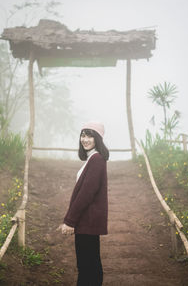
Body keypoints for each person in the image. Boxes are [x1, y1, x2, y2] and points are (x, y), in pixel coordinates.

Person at [59, 121, 109, 286]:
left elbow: (86, 193)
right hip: (87, 221)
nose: (85, 139)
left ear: (98, 139)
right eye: (83, 135)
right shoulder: (92, 159)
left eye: (90, 136)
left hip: (88, 221)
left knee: (87, 267)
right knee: (91, 265)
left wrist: (69, 220)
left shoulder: (96, 160)